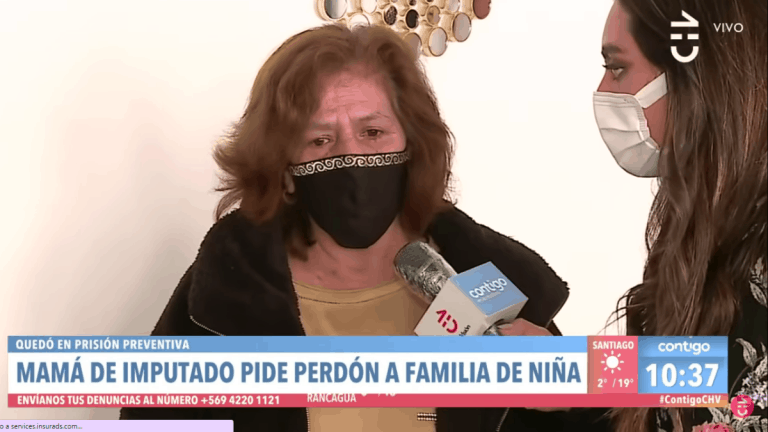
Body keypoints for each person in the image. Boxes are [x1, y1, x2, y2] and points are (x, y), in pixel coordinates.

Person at [119, 23, 572, 432]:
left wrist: (572, 390)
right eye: (319, 140)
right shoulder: (222, 300)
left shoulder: (485, 279)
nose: (350, 158)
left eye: (372, 133)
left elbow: (598, 420)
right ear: (284, 168)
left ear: (413, 144)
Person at [506, 0, 767, 430]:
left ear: (693, 76)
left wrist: (580, 374)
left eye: (617, 67)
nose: (604, 89)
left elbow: (735, 389)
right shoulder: (713, 223)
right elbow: (700, 377)